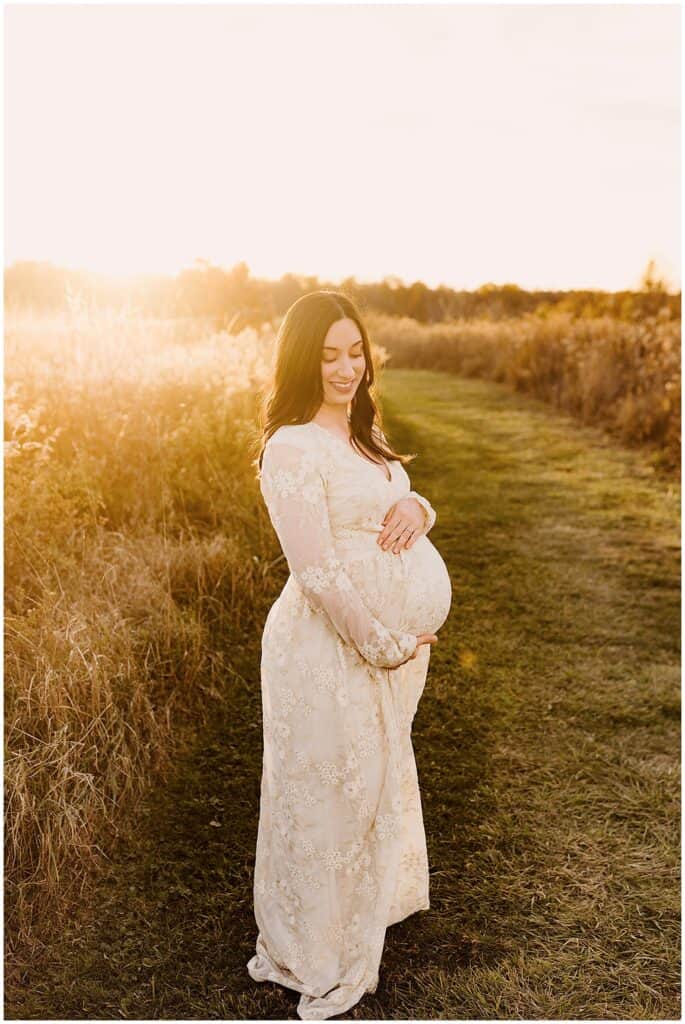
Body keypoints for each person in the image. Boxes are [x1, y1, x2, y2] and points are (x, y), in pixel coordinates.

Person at [247, 290, 452, 1019]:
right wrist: (383, 643)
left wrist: (416, 507)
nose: (344, 368)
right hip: (324, 646)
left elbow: (393, 499)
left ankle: (364, 901)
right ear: (304, 361)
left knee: (370, 774)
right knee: (324, 788)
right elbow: (317, 569)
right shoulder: (290, 446)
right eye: (328, 355)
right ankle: (312, 941)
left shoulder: (363, 433)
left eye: (354, 352)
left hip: (382, 647)